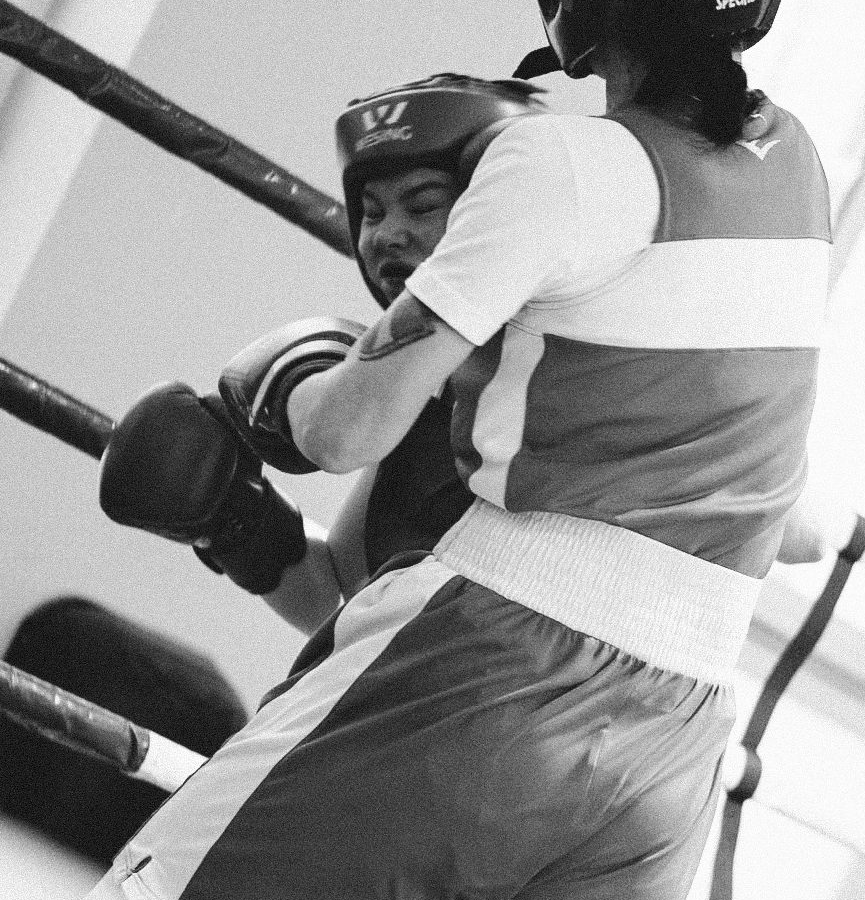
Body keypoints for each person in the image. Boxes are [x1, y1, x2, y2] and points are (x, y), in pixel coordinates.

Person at [84, 0, 823, 900]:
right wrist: (241, 530)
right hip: (673, 753)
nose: (398, 240)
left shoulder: (558, 170)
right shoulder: (794, 166)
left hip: (497, 667)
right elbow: (780, 506)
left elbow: (344, 425)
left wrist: (284, 390)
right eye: (376, 213)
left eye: (429, 205)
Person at [97, 74, 549, 633]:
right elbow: (339, 598)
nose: (387, 235)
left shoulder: (577, 376)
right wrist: (236, 519)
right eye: (373, 212)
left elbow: (337, 438)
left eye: (423, 204)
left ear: (497, 212)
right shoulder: (423, 391)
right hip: (418, 674)